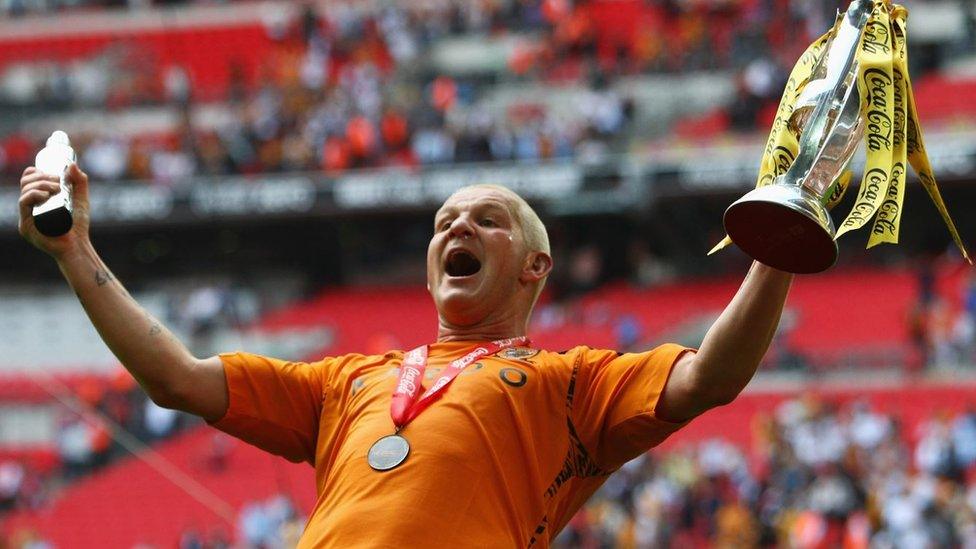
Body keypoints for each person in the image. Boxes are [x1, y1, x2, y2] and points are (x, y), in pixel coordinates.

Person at [17, 165, 793, 547]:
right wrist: (74, 251)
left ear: (535, 265)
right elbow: (175, 377)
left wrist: (776, 253)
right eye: (444, 220)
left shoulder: (573, 381)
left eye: (486, 220)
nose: (457, 227)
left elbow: (709, 375)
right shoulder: (349, 379)